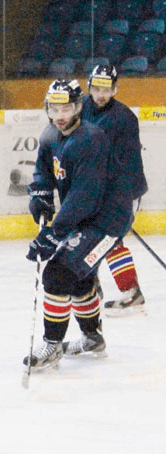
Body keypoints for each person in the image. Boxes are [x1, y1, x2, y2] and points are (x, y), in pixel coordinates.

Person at [24, 79, 133, 370]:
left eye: (66, 109)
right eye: (54, 109)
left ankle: (52, 346)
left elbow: (84, 196)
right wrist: (40, 195)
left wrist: (53, 234)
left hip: (108, 219)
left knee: (57, 274)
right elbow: (43, 172)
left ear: (77, 108)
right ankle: (92, 338)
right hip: (86, 216)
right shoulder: (50, 135)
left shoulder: (91, 140)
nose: (60, 116)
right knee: (78, 276)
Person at [81, 64, 148, 313]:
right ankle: (89, 285)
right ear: (89, 87)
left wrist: (116, 197)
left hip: (122, 191)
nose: (101, 94)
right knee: (85, 239)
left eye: (106, 89)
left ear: (115, 89)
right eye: (97, 88)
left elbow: (128, 165)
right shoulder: (80, 109)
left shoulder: (124, 118)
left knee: (109, 240)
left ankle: (131, 293)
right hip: (92, 190)